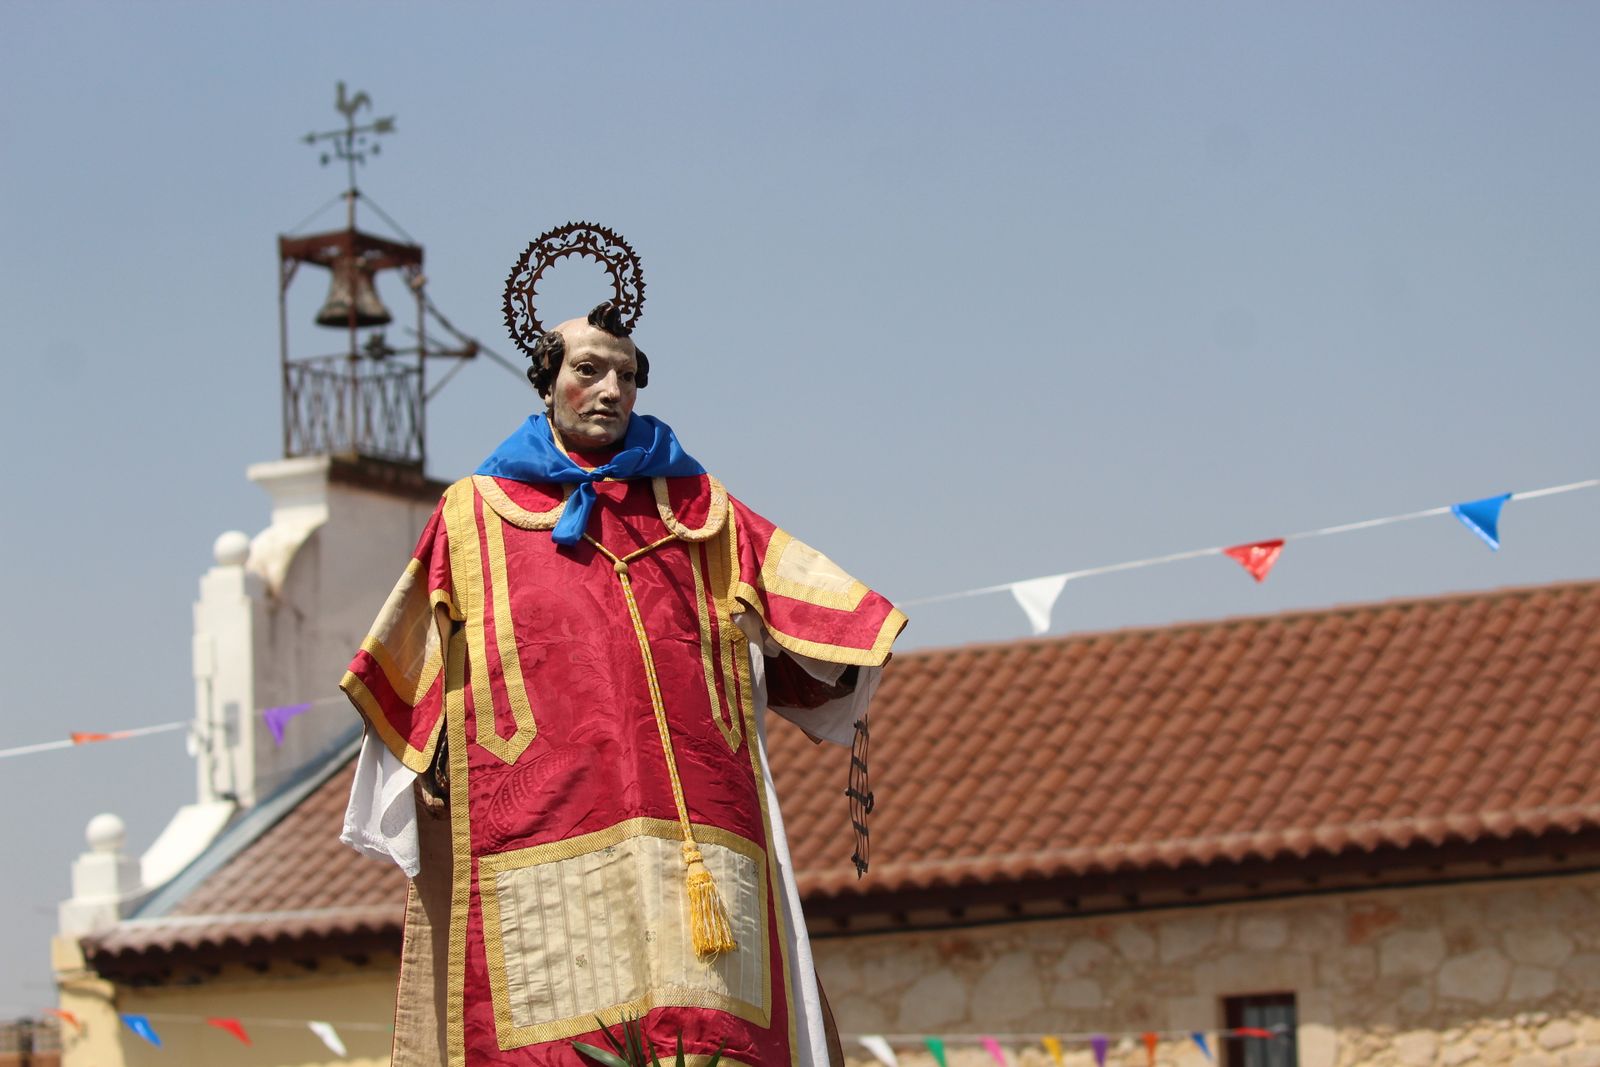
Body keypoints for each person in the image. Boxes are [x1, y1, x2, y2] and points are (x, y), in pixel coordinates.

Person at [339, 294, 906, 1067]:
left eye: (628, 376)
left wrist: (852, 642)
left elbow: (810, 606)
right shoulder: (471, 515)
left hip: (693, 836)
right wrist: (434, 760)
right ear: (546, 381)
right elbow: (406, 664)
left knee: (706, 1037)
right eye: (589, 370)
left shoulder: (699, 508)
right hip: (539, 830)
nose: (612, 390)